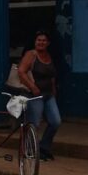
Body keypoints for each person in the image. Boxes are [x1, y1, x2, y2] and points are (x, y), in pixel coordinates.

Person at [18, 30, 61, 161]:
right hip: (34, 95)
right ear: (35, 42)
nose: (41, 43)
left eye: (43, 40)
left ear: (48, 43)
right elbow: (21, 71)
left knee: (55, 121)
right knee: (34, 123)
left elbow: (52, 75)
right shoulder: (31, 54)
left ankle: (43, 148)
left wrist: (53, 90)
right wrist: (33, 87)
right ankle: (29, 150)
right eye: (38, 40)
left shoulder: (48, 56)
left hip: (48, 95)